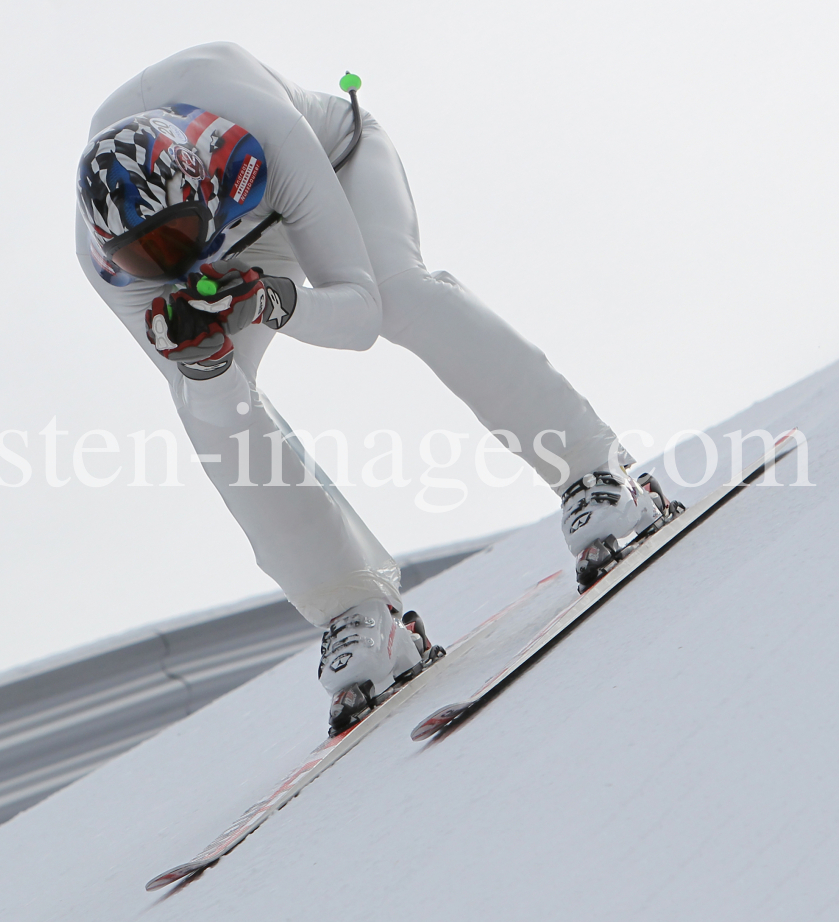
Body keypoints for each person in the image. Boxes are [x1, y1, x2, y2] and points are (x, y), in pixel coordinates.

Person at [76, 42, 676, 733]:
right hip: (237, 240)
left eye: (174, 237)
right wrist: (203, 358)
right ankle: (355, 610)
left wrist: (274, 299)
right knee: (208, 401)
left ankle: (594, 472)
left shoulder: (256, 125)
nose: (172, 263)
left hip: (327, 170)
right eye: (147, 256)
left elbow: (357, 316)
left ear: (199, 181)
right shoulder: (106, 265)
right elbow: (206, 391)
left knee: (398, 292)